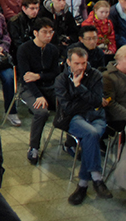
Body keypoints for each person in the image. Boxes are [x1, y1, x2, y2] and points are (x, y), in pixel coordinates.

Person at [56, 47, 112, 204]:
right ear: (68, 62)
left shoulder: (95, 75)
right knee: (92, 134)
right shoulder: (61, 79)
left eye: (84, 63)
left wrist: (79, 87)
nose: (81, 67)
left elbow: (96, 101)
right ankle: (97, 178)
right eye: (77, 63)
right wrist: (88, 101)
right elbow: (68, 108)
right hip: (76, 119)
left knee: (90, 136)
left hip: (97, 118)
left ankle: (83, 185)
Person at [17, 18, 60, 164]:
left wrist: (39, 76)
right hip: (29, 89)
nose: (48, 35)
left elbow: (55, 73)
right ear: (36, 33)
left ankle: (70, 143)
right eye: (45, 32)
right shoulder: (24, 49)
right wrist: (38, 95)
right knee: (42, 112)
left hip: (49, 86)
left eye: (51, 32)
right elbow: (26, 78)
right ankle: (34, 147)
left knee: (69, 104)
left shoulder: (53, 49)